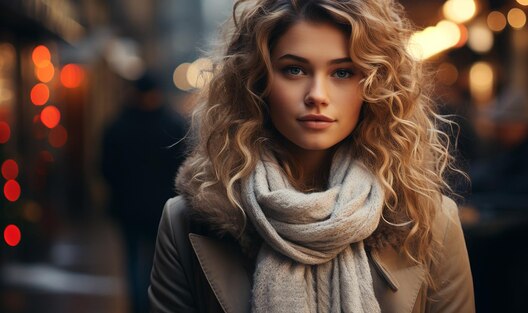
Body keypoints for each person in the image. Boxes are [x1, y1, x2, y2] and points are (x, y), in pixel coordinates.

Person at [149, 1, 474, 312]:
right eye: (294, 70)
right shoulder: (186, 222)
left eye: (343, 73)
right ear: (256, 81)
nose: (317, 95)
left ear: (374, 86)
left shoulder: (429, 221)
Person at [101, 72, 187, 313]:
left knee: (131, 261)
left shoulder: (117, 125)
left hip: (127, 207)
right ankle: (150, 306)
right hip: (161, 206)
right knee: (155, 262)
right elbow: (182, 167)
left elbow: (106, 168)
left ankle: (137, 306)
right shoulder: (172, 125)